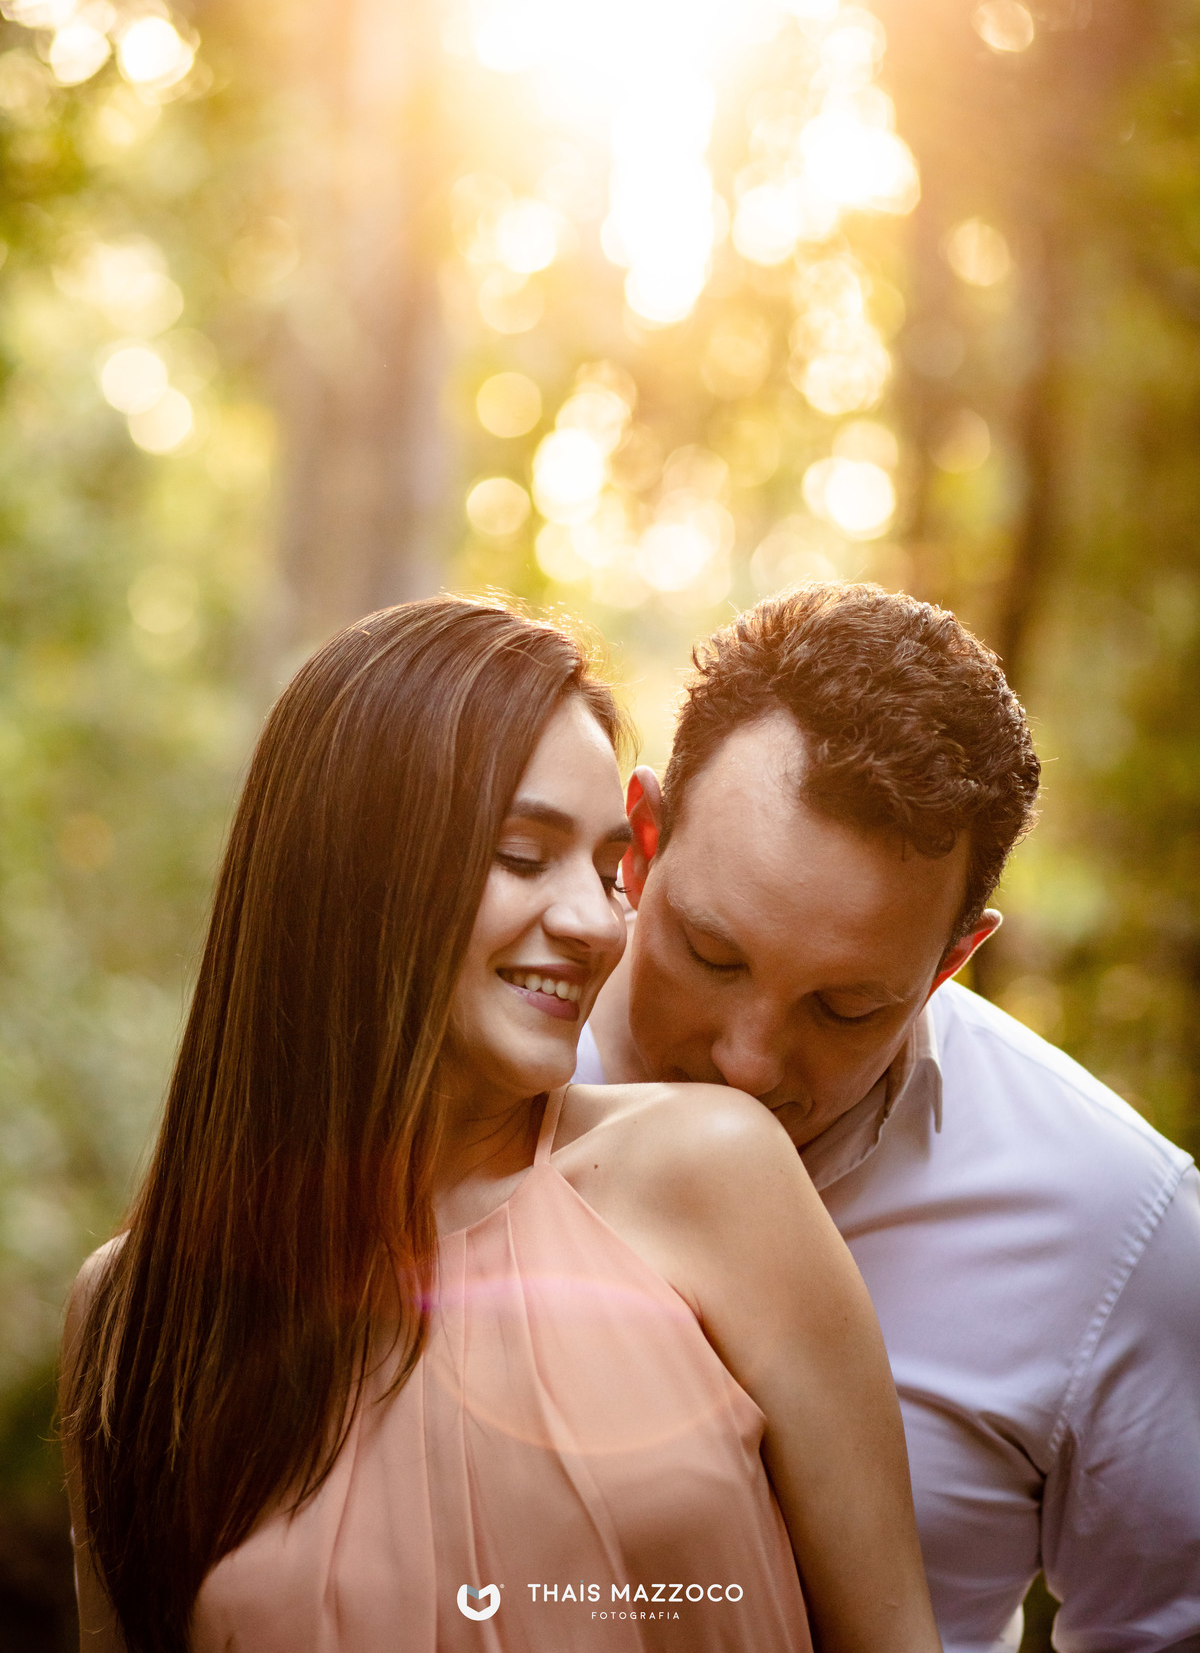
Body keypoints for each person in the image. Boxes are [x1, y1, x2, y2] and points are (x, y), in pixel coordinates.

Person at [59, 596, 942, 1653]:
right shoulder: (134, 1317)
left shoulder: (713, 1177)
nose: (591, 923)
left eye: (608, 868)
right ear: (355, 872)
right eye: (525, 857)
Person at [581, 582, 1200, 1653]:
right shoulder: (462, 1064)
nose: (748, 1061)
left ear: (951, 966)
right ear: (642, 841)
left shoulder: (1117, 1226)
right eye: (711, 955)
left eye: (846, 1007)